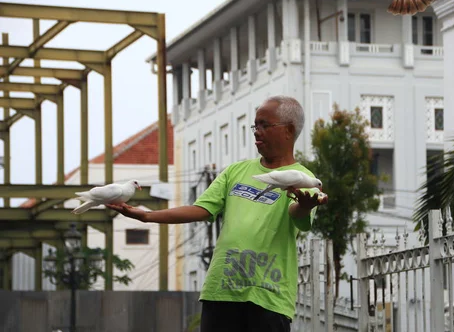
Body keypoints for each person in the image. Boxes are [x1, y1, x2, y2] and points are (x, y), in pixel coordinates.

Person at [107, 95, 328, 332]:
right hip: (221, 292)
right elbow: (200, 209)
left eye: (265, 125)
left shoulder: (306, 180)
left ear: (288, 131)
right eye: (256, 125)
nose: (257, 131)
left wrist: (305, 206)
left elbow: (298, 216)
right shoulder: (235, 171)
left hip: (269, 297)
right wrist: (147, 216)